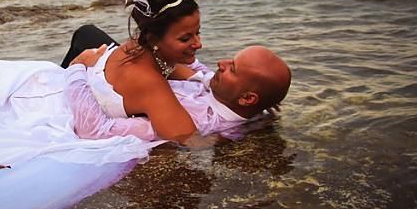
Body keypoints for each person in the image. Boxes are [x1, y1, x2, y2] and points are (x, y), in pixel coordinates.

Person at [61, 0, 211, 144]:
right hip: (71, 93)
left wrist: (206, 78)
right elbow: (190, 139)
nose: (199, 43)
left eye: (198, 32)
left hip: (98, 62)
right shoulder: (150, 84)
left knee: (86, 32)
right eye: (185, 38)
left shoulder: (141, 45)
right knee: (84, 36)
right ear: (153, 39)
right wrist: (77, 66)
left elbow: (177, 68)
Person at [64, 43, 291, 142]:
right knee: (93, 36)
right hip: (122, 84)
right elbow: (196, 68)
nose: (220, 63)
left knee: (84, 39)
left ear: (247, 98)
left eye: (232, 68)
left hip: (90, 94)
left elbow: (95, 131)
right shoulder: (226, 93)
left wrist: (78, 67)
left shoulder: (196, 120)